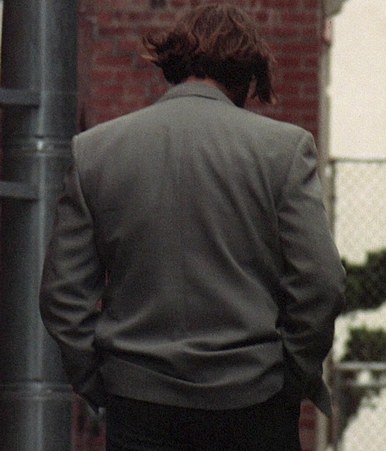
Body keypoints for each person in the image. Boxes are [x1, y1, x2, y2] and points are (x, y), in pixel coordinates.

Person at [39, 4, 345, 450]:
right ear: (248, 76)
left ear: (174, 64)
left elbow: (63, 295)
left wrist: (102, 382)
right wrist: (289, 376)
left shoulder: (96, 152)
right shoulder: (283, 151)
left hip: (139, 399)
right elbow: (321, 281)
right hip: (252, 397)